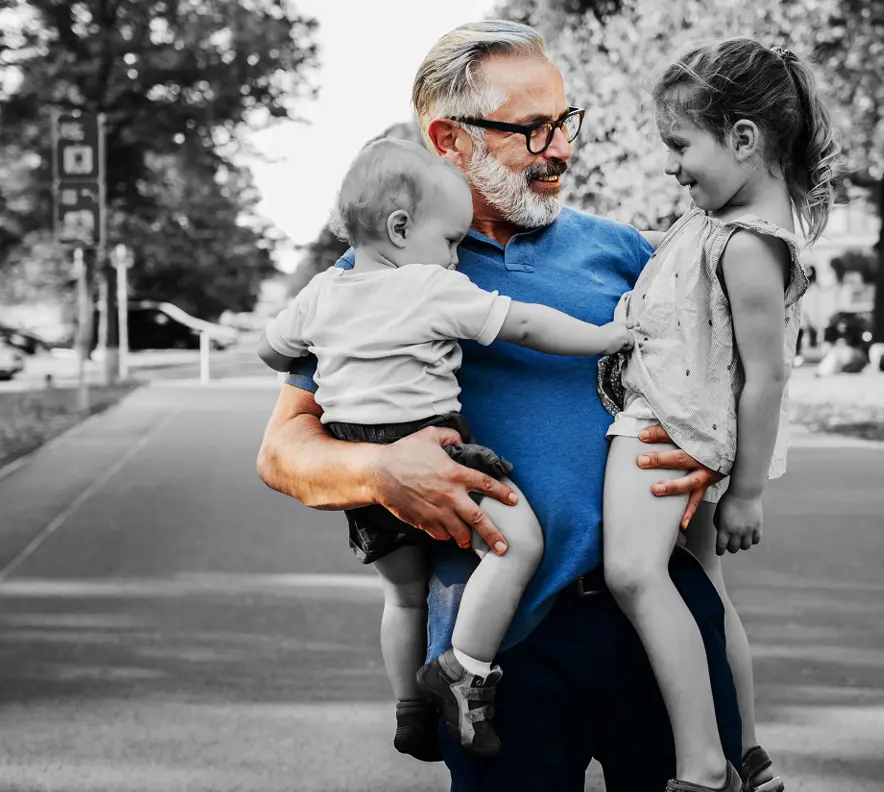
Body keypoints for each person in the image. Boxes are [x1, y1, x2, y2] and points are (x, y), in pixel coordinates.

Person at [257, 20, 739, 791]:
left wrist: (715, 450)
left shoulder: (627, 251)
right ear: (448, 139)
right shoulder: (375, 274)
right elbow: (282, 451)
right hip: (501, 647)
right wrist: (382, 470)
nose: (561, 148)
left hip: (658, 614)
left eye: (565, 120)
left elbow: (729, 373)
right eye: (533, 129)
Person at [256, 136, 630, 761]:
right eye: (451, 240)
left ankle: (409, 712)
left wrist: (324, 348)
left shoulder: (322, 292)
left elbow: (271, 351)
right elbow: (527, 325)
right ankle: (465, 668)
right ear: (402, 230)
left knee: (402, 595)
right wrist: (605, 335)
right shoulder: (432, 286)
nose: (457, 257)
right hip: (431, 448)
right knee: (516, 547)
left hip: (359, 459)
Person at [595, 38, 838, 792]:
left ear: (742, 138)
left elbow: (766, 377)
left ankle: (702, 760)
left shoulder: (745, 245)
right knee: (701, 588)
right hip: (688, 423)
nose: (671, 166)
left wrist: (748, 491)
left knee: (634, 573)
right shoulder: (714, 226)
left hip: (667, 427)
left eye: (680, 145)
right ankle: (748, 747)